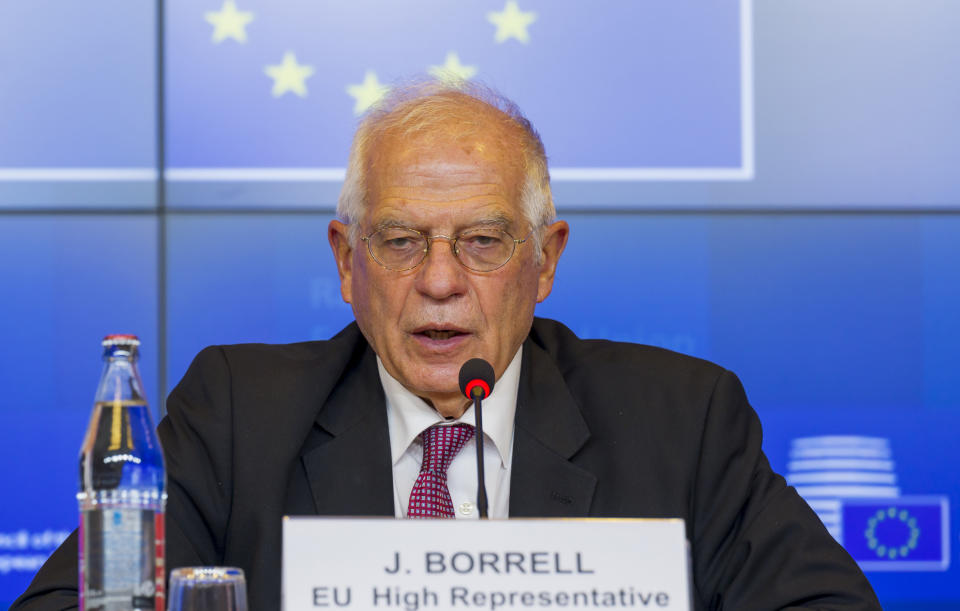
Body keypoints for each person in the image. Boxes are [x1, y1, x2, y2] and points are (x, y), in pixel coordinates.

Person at [13, 81, 881, 610]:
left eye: (483, 241)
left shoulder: (681, 417)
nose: (438, 281)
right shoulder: (238, 413)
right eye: (400, 241)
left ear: (546, 262)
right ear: (347, 263)